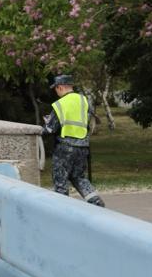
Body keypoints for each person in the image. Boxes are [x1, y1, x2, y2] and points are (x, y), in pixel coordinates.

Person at [42, 75, 105, 207]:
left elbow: (50, 129)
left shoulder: (60, 104)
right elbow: (90, 120)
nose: (56, 92)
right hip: (83, 147)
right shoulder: (83, 100)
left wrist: (46, 124)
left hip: (65, 148)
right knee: (79, 177)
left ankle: (62, 210)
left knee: (61, 180)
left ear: (60, 87)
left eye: (56, 89)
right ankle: (96, 202)